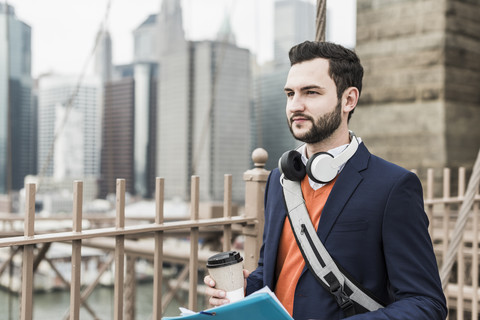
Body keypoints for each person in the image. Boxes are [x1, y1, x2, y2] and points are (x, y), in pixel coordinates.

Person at [205, 41, 447, 319]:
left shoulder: (393, 186)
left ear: (349, 100)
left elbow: (426, 303)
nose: (296, 104)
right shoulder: (278, 180)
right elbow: (274, 271)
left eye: (311, 92)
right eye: (290, 93)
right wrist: (245, 288)